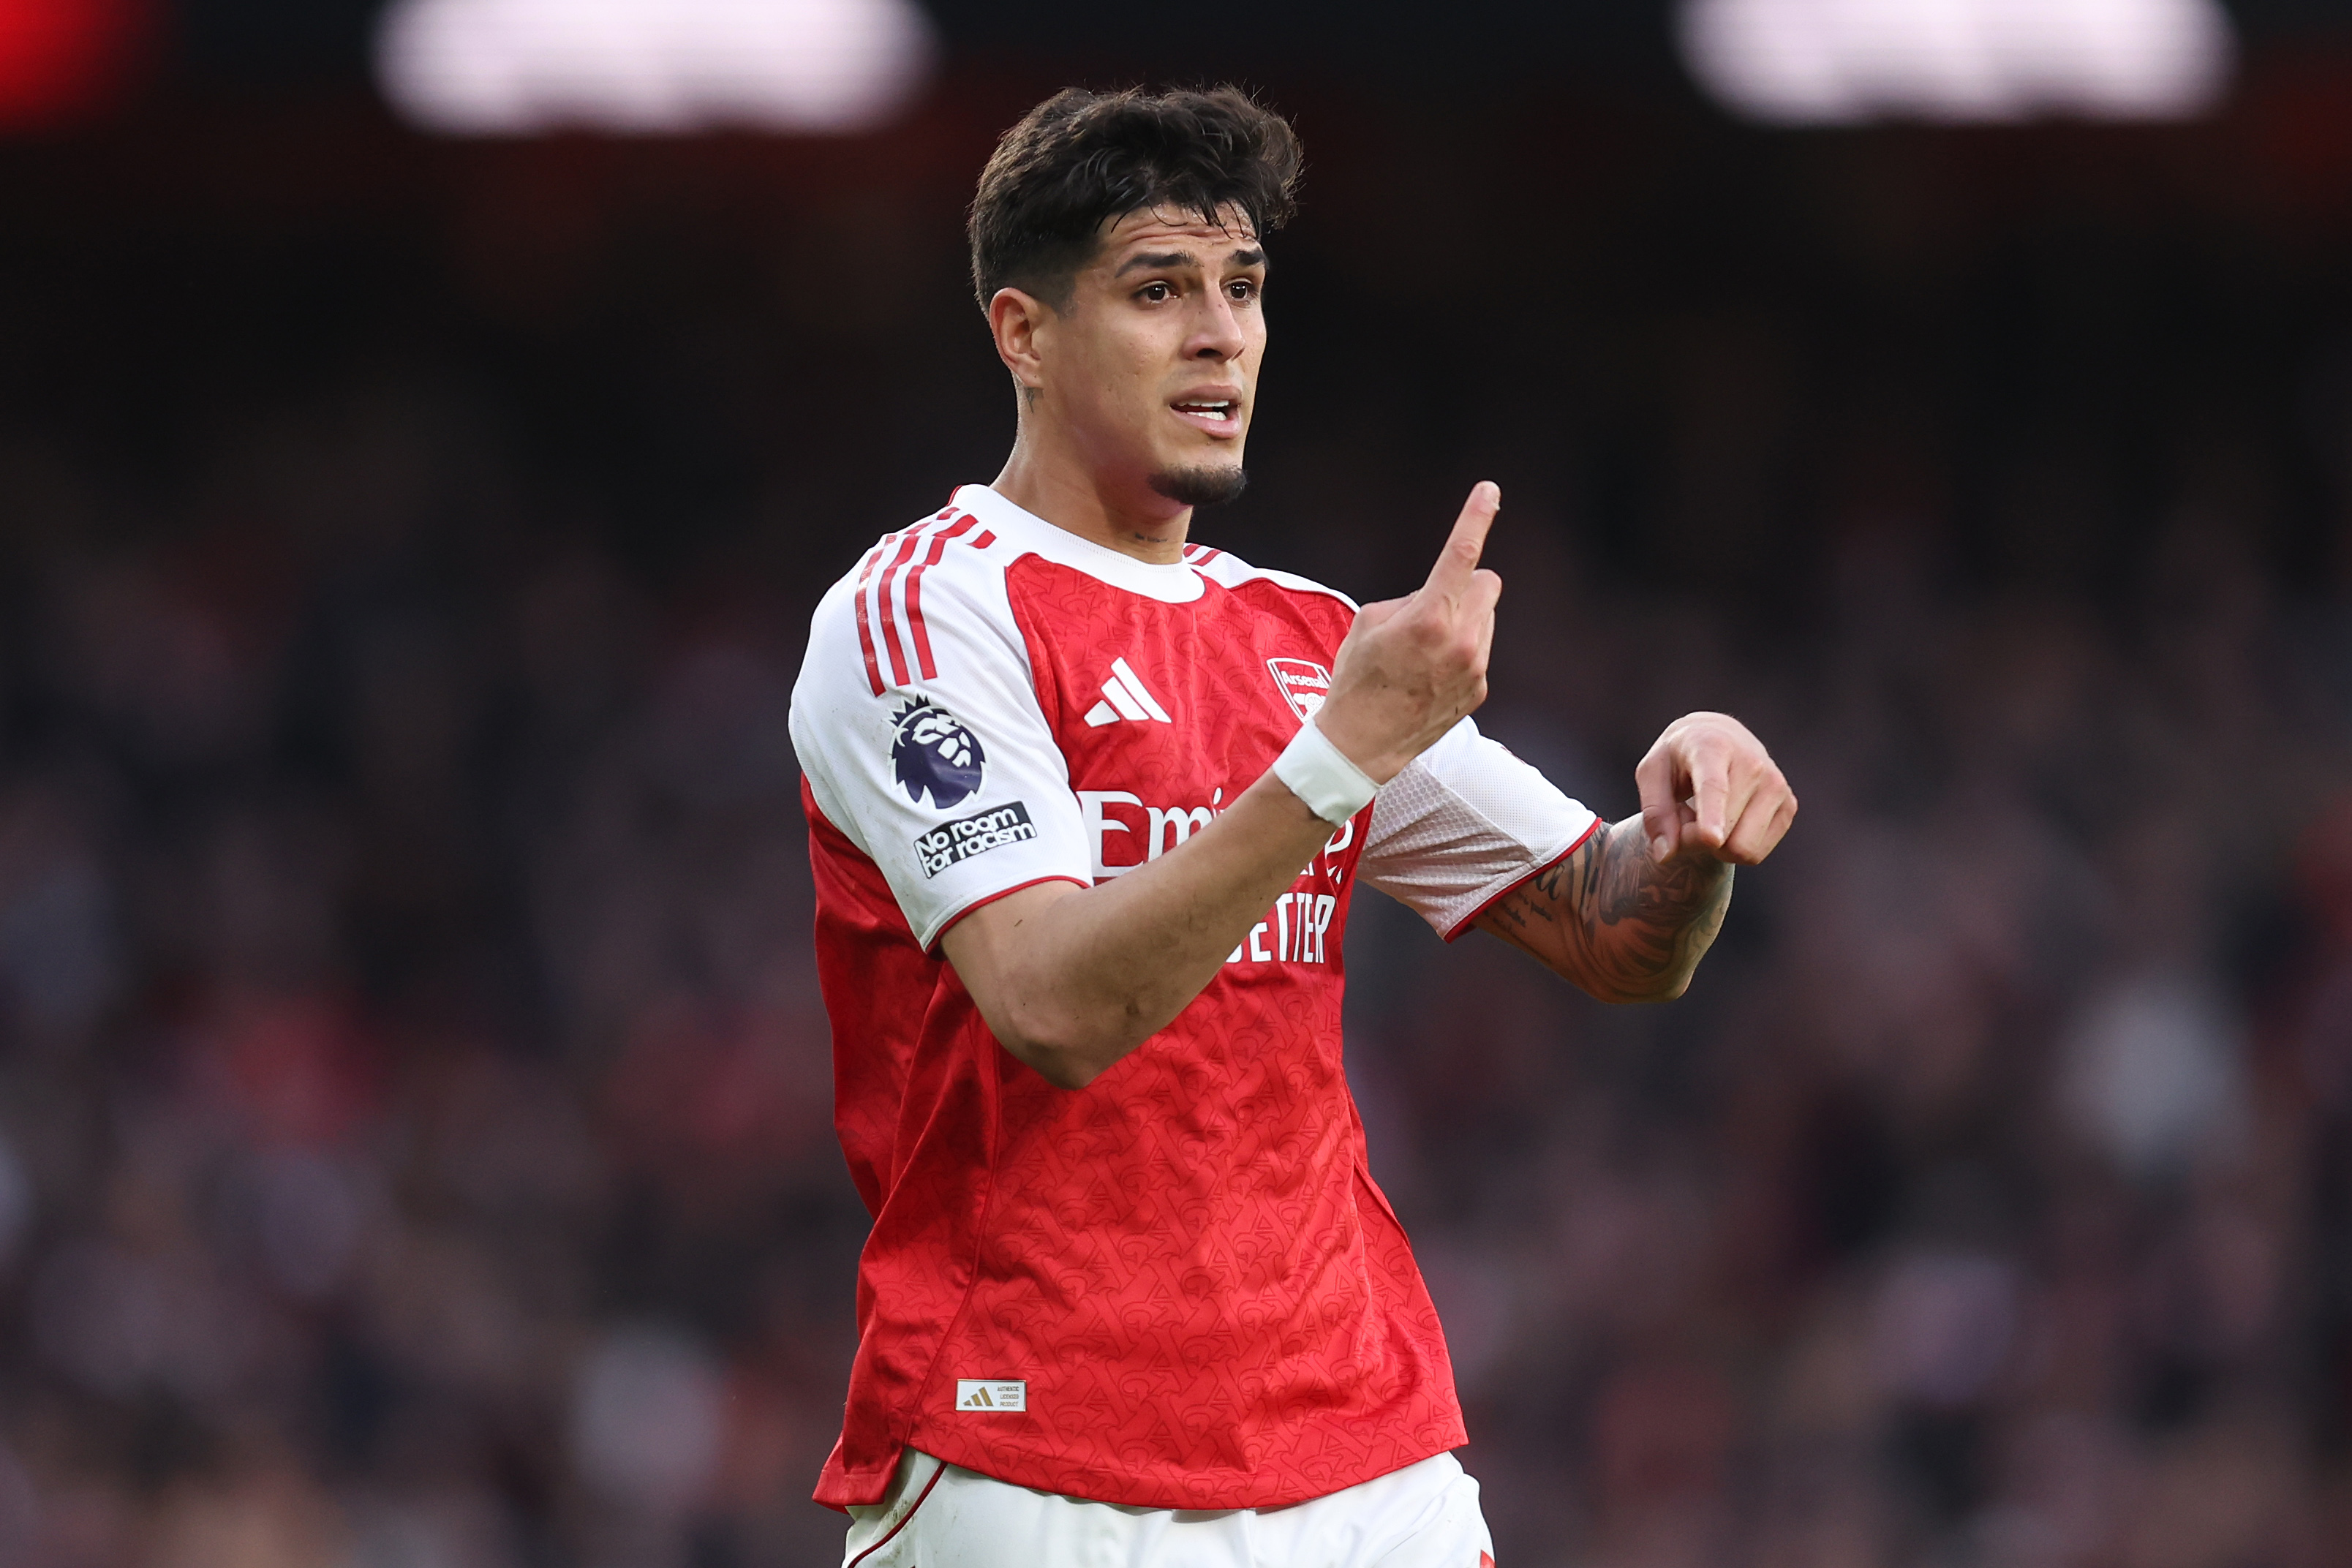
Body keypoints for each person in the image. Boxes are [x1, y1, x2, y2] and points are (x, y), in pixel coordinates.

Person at [787, 85, 1796, 1567]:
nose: (1221, 335)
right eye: (1158, 289)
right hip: (1036, 1455)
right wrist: (1336, 758)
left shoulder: (1308, 641)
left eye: (1244, 288)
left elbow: (1615, 930)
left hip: (1363, 1453)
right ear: (1024, 331)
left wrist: (1694, 835)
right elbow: (1055, 1003)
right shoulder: (925, 614)